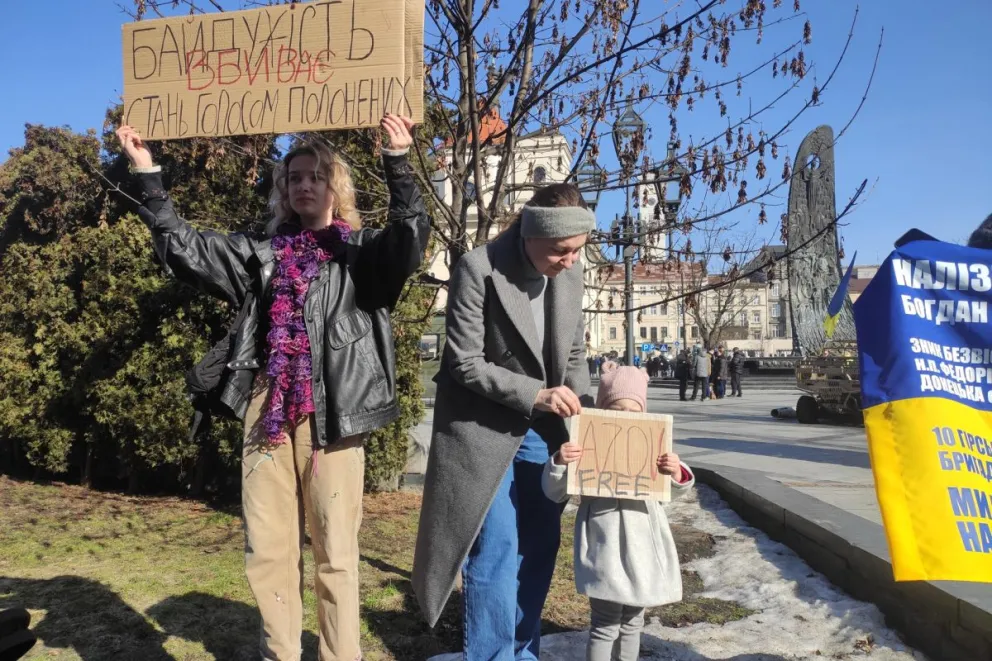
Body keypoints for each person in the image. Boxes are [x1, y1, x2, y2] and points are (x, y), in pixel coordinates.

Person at [116, 115, 430, 661]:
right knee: (267, 547)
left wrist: (399, 165)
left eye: (316, 176)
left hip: (336, 411)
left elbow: (408, 243)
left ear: (336, 188)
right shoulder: (259, 254)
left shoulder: (360, 254)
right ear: (283, 191)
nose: (304, 185)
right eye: (294, 178)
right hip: (266, 406)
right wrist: (147, 171)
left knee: (335, 550)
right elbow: (186, 247)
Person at [412, 184, 595, 660]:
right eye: (561, 251)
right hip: (480, 432)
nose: (570, 261)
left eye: (578, 250)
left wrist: (591, 409)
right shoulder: (478, 268)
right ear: (531, 235)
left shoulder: (571, 277)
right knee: (494, 550)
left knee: (537, 549)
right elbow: (463, 363)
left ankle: (523, 651)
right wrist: (536, 392)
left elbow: (573, 355)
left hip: (543, 432)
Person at [542, 361, 695, 661]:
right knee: (605, 625)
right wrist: (560, 461)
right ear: (602, 410)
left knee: (633, 623)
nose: (625, 417)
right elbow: (552, 490)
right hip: (604, 550)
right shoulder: (585, 446)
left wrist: (676, 472)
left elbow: (674, 489)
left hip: (643, 553)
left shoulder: (652, 447)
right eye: (616, 409)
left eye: (633, 411)